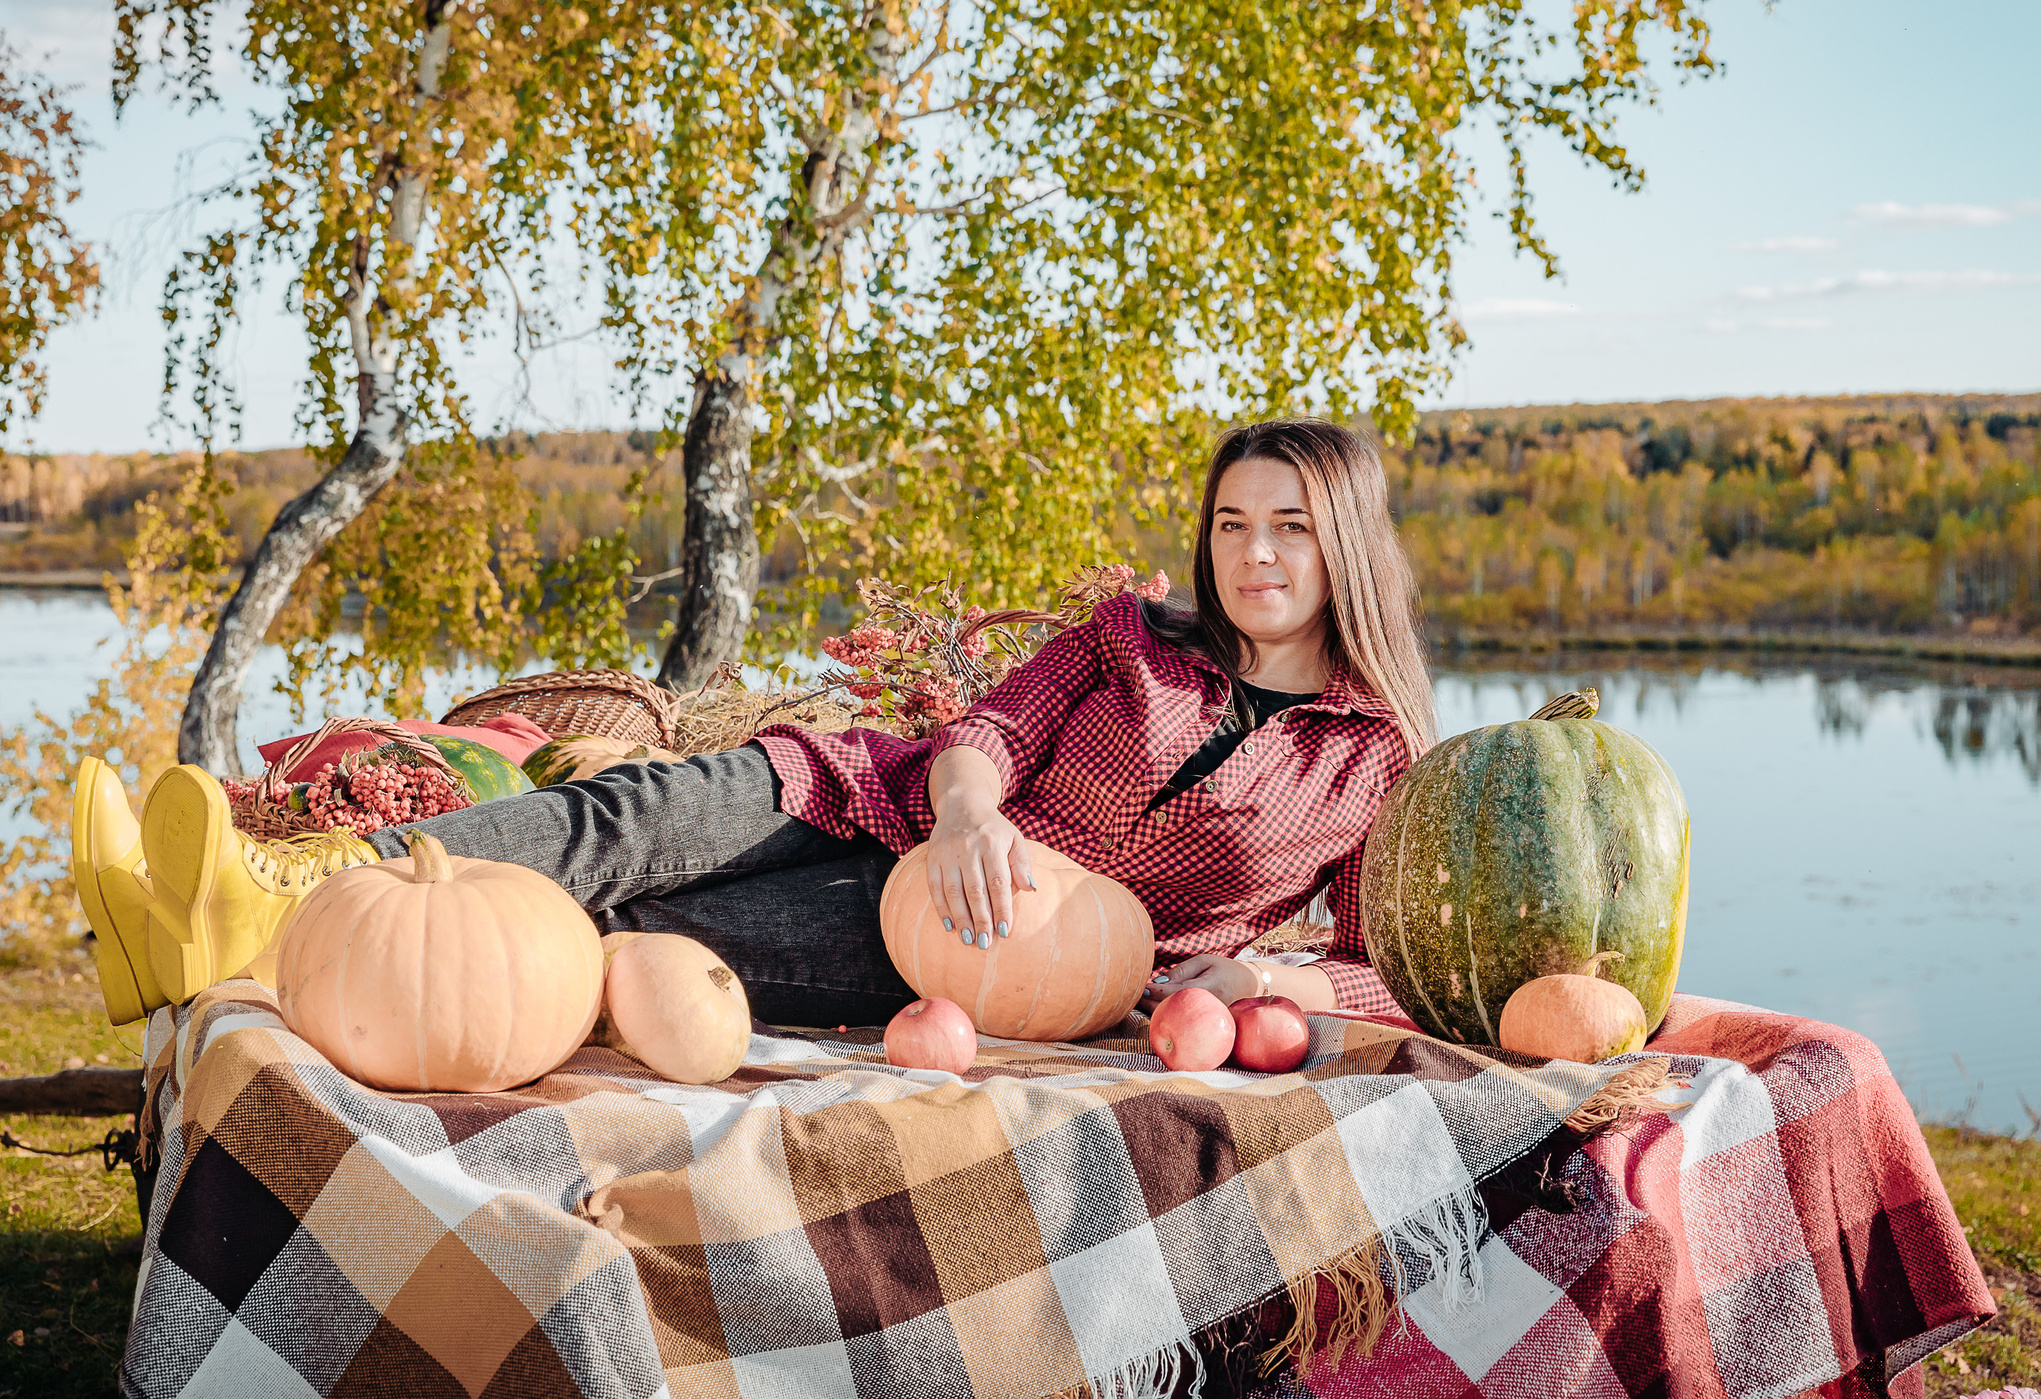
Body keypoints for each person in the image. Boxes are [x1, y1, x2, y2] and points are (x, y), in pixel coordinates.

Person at [70, 418, 1437, 1031]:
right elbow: (992, 729)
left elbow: (1393, 968)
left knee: (646, 944)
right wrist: (967, 807)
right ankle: (272, 896)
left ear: (1349, 549)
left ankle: (277, 962)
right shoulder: (1133, 636)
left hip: (971, 952)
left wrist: (1281, 984)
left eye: (1292, 529)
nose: (1254, 556)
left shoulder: (1375, 761)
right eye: (1232, 523)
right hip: (879, 799)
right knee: (619, 822)